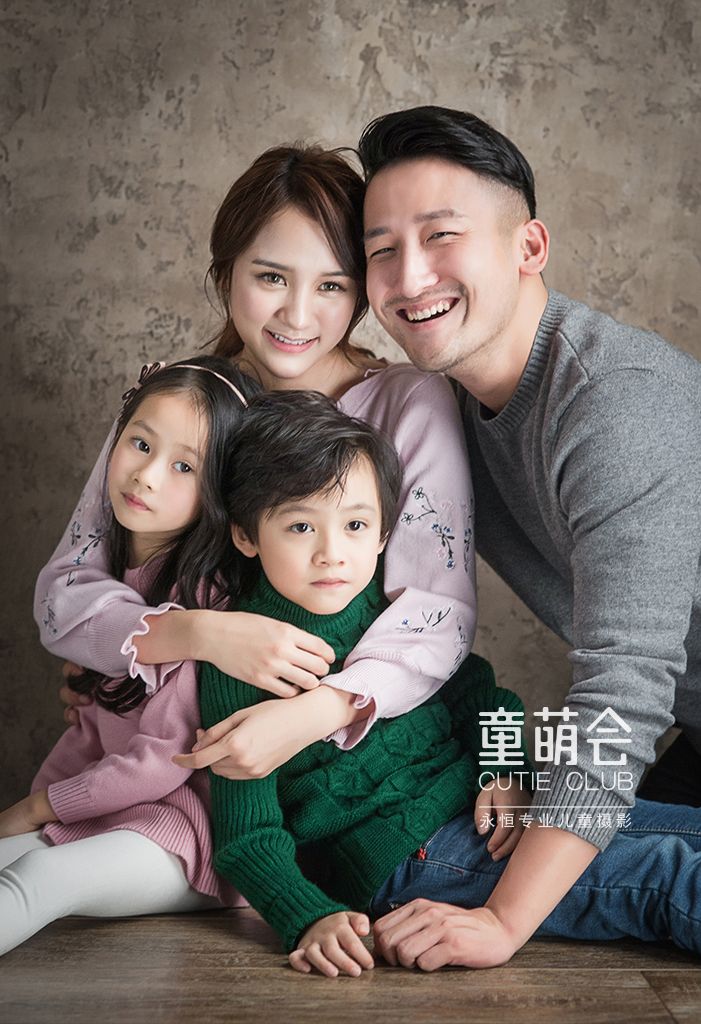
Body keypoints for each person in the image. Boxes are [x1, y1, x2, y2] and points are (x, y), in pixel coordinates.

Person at [356, 105, 701, 968]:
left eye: (441, 235)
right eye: (380, 250)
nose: (409, 276)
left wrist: (503, 924)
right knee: (470, 848)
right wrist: (140, 656)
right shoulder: (442, 407)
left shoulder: (611, 402)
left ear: (529, 247)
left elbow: (622, 689)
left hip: (650, 710)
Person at [197, 389, 701, 978]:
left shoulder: (396, 609)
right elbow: (247, 834)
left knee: (689, 830)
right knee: (662, 875)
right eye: (301, 526)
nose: (332, 554)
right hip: (411, 858)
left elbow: (485, 699)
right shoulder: (241, 657)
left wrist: (506, 773)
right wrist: (308, 917)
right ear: (246, 534)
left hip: (486, 810)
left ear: (383, 533)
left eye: (355, 524)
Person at [34, 145, 477, 781]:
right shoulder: (175, 402)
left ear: (360, 295)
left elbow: (438, 615)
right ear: (226, 274)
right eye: (271, 277)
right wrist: (193, 635)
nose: (297, 315)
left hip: (347, 772)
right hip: (157, 761)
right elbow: (65, 595)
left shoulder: (408, 404)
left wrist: (316, 712)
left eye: (331, 286)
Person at [0, 357, 260, 955]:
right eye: (140, 444)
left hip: (188, 832)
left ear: (220, 492)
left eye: (184, 467)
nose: (146, 476)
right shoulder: (116, 585)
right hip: (115, 809)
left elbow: (162, 762)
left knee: (38, 880)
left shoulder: (207, 601)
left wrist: (39, 808)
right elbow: (90, 732)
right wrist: (44, 812)